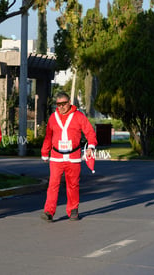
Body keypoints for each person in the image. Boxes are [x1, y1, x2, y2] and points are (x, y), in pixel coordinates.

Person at [41, 91, 97, 222]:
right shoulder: (53, 118)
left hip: (73, 156)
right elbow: (48, 136)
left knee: (73, 185)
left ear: (69, 103)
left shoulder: (79, 116)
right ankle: (49, 211)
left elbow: (90, 132)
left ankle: (73, 210)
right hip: (56, 157)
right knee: (53, 184)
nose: (61, 107)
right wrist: (45, 152)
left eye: (63, 104)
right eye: (58, 104)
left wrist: (91, 146)